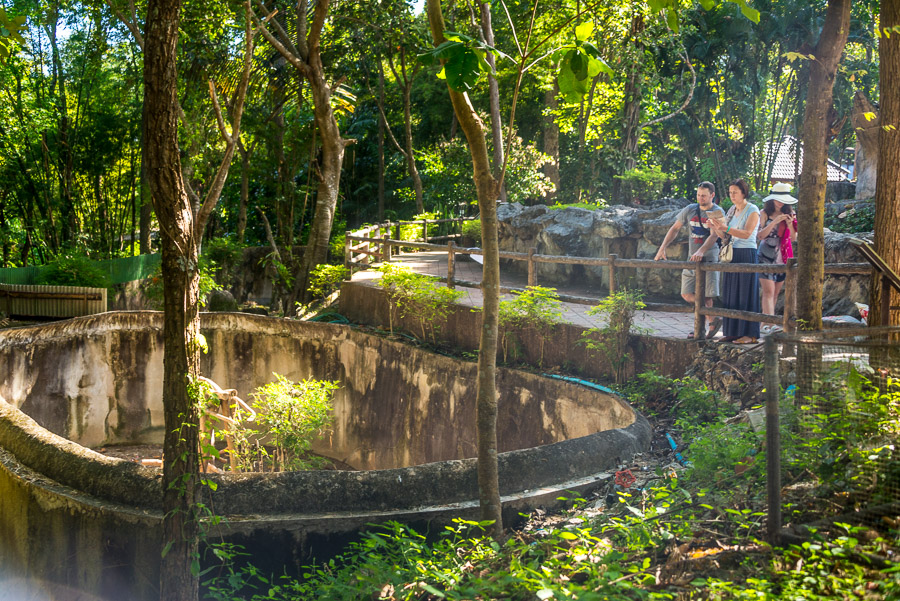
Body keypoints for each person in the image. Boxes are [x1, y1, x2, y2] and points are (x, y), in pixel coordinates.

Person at [654, 181, 726, 338]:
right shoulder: (690, 209)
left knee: (707, 296)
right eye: (699, 195)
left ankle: (701, 328)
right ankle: (712, 320)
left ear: (712, 195)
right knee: (687, 293)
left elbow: (715, 235)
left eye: (704, 196)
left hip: (709, 256)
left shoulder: (717, 211)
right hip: (691, 257)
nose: (701, 198)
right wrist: (662, 247)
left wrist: (701, 250)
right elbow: (675, 228)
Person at [708, 179, 760, 343]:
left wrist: (726, 228)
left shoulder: (752, 210)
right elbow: (725, 236)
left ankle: (749, 334)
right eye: (730, 192)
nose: (732, 196)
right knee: (731, 293)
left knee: (746, 293)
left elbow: (747, 233)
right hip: (732, 252)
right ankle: (732, 331)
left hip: (746, 253)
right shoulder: (732, 210)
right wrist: (716, 227)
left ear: (743, 193)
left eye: (735, 192)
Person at [756, 182, 798, 332]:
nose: (780, 202)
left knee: (775, 293)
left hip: (782, 257)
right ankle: (771, 324)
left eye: (783, 199)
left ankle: (764, 323)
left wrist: (789, 224)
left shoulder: (791, 214)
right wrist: (774, 222)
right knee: (768, 291)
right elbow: (760, 235)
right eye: (777, 199)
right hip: (765, 256)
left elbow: (793, 238)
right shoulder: (764, 213)